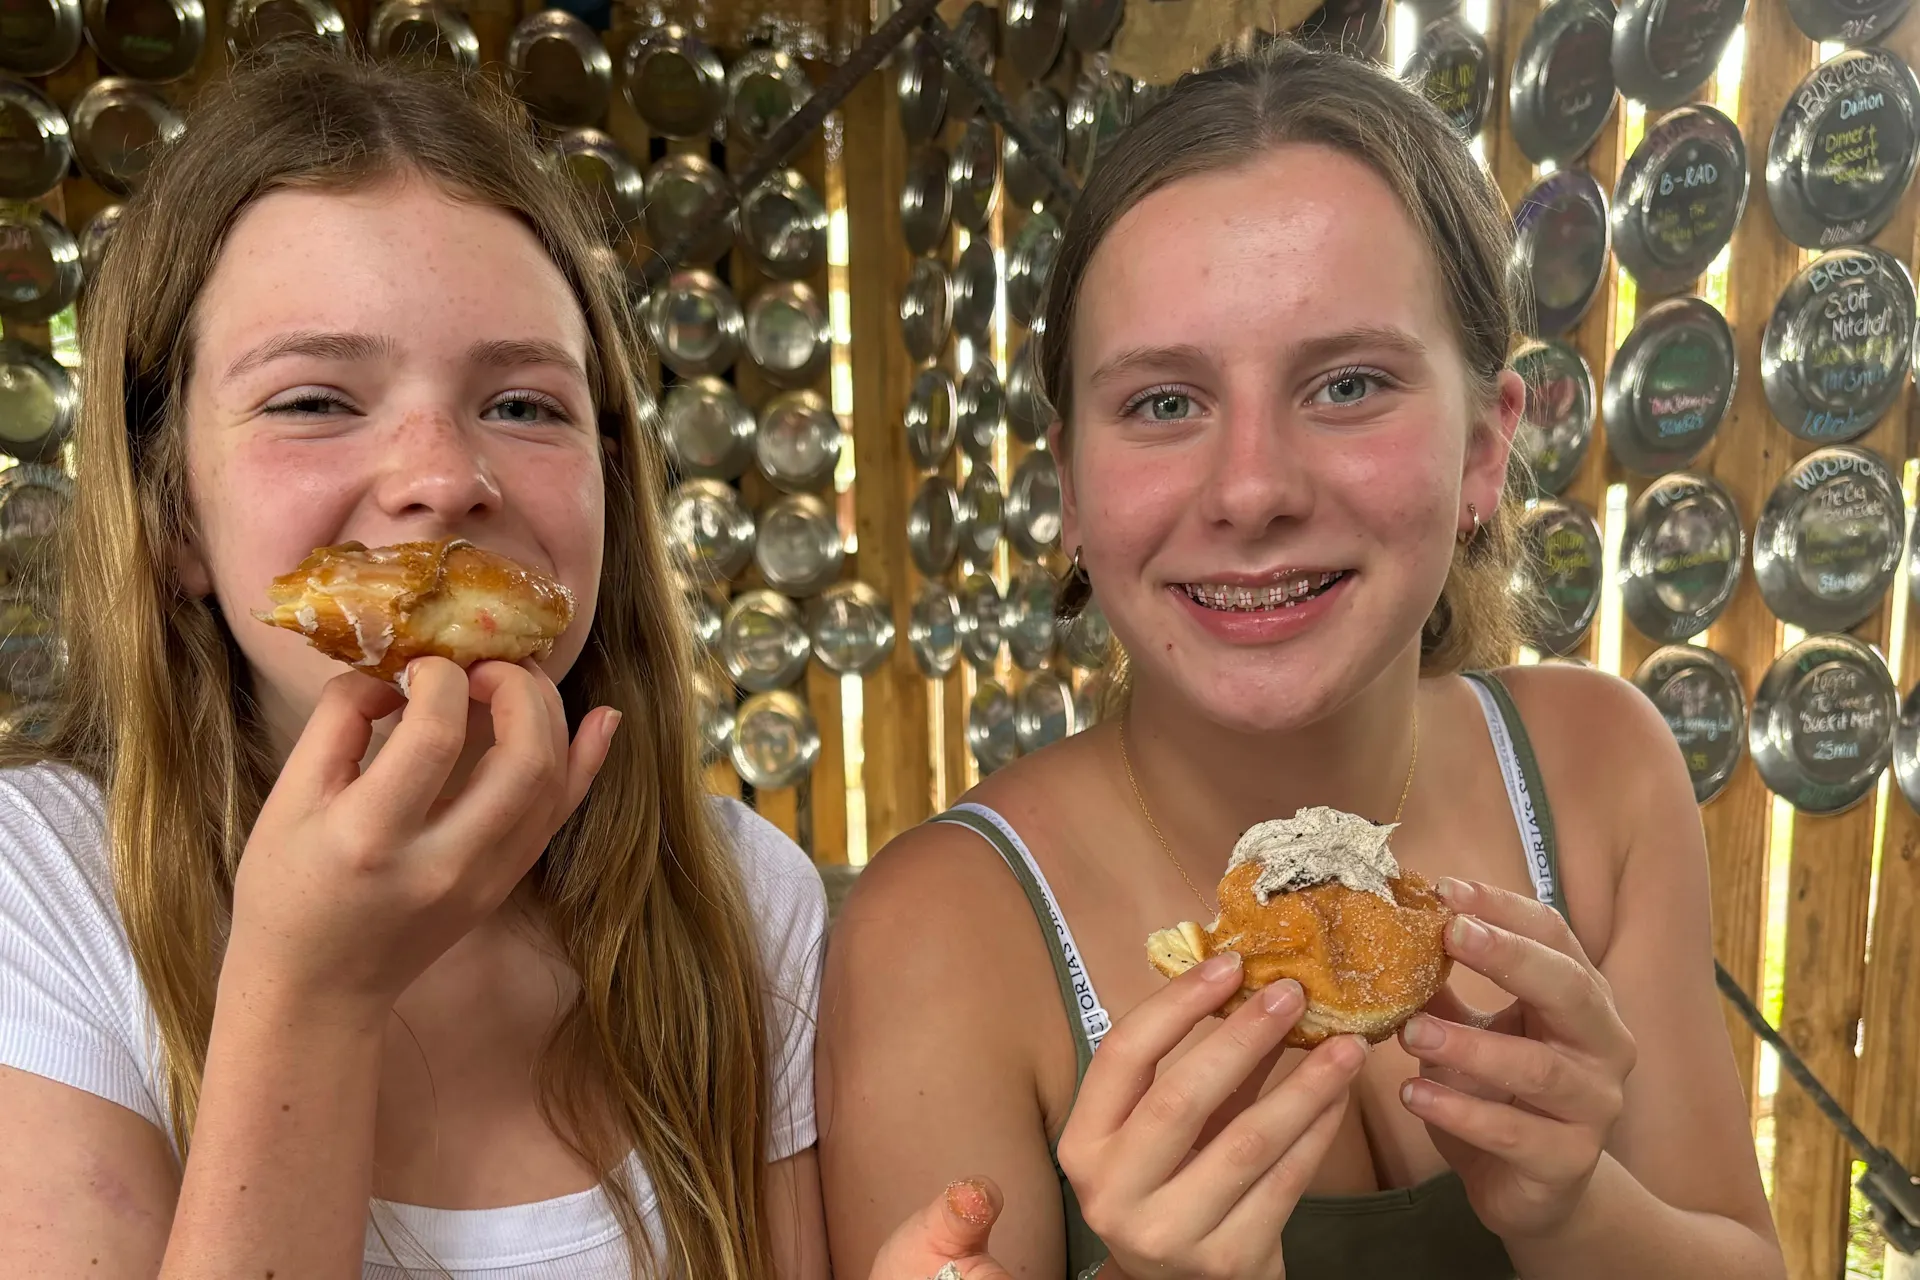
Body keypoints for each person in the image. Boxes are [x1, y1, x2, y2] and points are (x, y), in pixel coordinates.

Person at [0, 50, 996, 1280]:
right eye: (314, 399)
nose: (444, 475)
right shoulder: (37, 894)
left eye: (525, 405)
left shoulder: (745, 899)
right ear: (175, 523)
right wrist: (310, 996)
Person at [818, 42, 1787, 1280]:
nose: (1254, 488)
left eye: (1347, 382)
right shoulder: (939, 932)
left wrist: (1572, 1209)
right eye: (1165, 403)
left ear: (1487, 448)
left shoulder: (1599, 769)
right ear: (1068, 482)